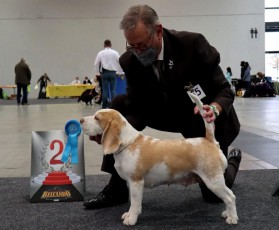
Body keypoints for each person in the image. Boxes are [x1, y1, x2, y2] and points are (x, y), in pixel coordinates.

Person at [84, 4, 242, 209]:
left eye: (142, 45)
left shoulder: (193, 44)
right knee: (118, 105)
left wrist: (213, 108)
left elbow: (225, 90)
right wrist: (110, 133)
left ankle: (232, 160)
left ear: (158, 31)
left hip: (202, 116)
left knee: (213, 196)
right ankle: (116, 187)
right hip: (163, 111)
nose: (137, 52)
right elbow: (135, 105)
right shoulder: (129, 60)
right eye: (131, 46)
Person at [94, 39, 121, 108]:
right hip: (113, 73)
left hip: (104, 73)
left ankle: (104, 105)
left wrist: (97, 73)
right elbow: (120, 61)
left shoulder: (100, 53)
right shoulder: (115, 53)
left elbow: (96, 64)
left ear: (104, 45)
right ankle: (114, 105)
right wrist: (119, 72)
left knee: (105, 90)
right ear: (111, 45)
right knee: (113, 90)